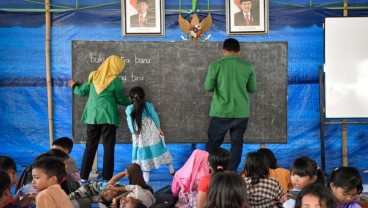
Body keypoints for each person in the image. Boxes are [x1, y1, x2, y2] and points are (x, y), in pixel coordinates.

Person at [68, 55, 131, 182]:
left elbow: (81, 92)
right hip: (108, 118)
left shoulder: (93, 75)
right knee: (108, 148)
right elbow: (120, 99)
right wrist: (131, 100)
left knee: (90, 146)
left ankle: (84, 177)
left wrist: (74, 85)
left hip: (93, 117)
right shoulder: (116, 81)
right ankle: (107, 178)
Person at [204, 38, 257, 171]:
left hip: (220, 111)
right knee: (237, 143)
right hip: (241, 112)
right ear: (239, 51)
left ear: (223, 51)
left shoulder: (216, 65)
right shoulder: (248, 66)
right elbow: (252, 88)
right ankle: (232, 172)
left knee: (214, 143)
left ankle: (212, 171)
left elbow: (208, 87)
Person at [125, 86, 174, 182]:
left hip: (139, 133)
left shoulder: (129, 108)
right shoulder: (148, 105)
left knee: (143, 152)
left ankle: (146, 176)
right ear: (143, 96)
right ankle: (171, 169)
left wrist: (134, 132)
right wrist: (159, 128)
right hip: (151, 130)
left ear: (131, 98)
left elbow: (129, 121)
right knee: (160, 148)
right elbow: (155, 116)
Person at [69, 163, 153, 207]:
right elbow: (132, 190)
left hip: (94, 187)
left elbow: (114, 179)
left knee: (132, 167)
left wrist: (124, 172)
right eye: (106, 195)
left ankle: (70, 196)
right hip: (141, 191)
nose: (105, 192)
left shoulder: (107, 187)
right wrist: (117, 197)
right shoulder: (119, 200)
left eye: (104, 193)